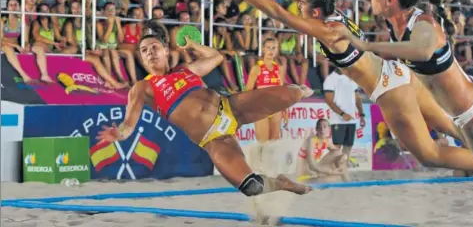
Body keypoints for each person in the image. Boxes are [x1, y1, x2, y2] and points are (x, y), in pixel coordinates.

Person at [200, 0, 473, 173]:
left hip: (388, 89)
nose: (296, 3)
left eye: (300, 3)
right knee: (455, 128)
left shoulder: (326, 30)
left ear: (313, 12)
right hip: (400, 74)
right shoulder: (332, 12)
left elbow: (275, 10)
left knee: (430, 155)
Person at [284, 0, 473, 173]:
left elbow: (421, 50)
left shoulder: (424, 24)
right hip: (458, 110)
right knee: (439, 158)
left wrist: (365, 45)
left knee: (468, 161)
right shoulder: (394, 14)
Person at [97, 19, 313, 197]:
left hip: (231, 109)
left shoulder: (184, 70)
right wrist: (119, 134)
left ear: (165, 50)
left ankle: (305, 90)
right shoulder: (143, 87)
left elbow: (216, 57)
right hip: (213, 139)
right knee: (252, 187)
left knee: (294, 92)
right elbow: (128, 125)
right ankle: (282, 183)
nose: (150, 53)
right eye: (144, 50)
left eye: (154, 48)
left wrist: (193, 46)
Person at [246, 37, 287, 142]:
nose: (271, 50)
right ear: (263, 49)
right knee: (263, 144)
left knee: (273, 143)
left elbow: (282, 91)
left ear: (277, 50)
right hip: (261, 108)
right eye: (268, 47)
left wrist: (286, 112)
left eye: (274, 48)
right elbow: (248, 91)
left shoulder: (279, 68)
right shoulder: (257, 68)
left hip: (276, 108)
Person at [323, 68, 366, 162]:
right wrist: (342, 114)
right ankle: (325, 168)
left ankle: (342, 171)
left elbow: (357, 98)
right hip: (338, 119)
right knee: (336, 148)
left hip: (352, 119)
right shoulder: (330, 79)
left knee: (348, 148)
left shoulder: (352, 78)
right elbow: (329, 101)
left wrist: (361, 114)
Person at [296, 118, 349, 183]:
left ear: (329, 129)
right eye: (319, 127)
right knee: (332, 178)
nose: (322, 130)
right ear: (316, 129)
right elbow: (312, 165)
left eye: (324, 127)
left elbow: (338, 154)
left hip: (315, 170)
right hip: (305, 173)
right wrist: (331, 172)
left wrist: (345, 157)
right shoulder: (311, 140)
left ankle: (348, 182)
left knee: (339, 155)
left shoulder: (326, 141)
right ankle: (346, 181)